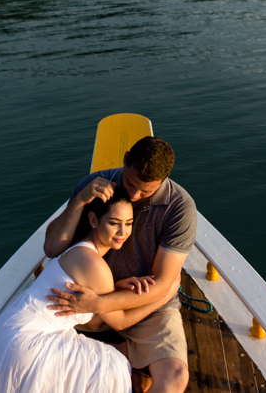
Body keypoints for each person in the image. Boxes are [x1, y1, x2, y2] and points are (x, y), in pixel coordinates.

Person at [44, 136, 196, 393]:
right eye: (130, 183)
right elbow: (52, 248)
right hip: (89, 297)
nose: (134, 195)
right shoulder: (94, 185)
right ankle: (126, 358)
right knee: (44, 355)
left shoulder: (179, 208)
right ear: (125, 159)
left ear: (164, 180)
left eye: (146, 191)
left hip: (145, 305)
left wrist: (99, 303)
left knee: (175, 377)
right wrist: (79, 201)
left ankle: (122, 356)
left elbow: (162, 284)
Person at [0, 187, 165, 393]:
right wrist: (162, 296)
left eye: (129, 223)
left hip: (0, 345)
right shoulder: (95, 265)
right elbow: (121, 321)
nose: (123, 232)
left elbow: (94, 322)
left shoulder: (77, 249)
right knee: (113, 366)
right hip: (25, 350)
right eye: (114, 223)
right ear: (94, 220)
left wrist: (115, 288)